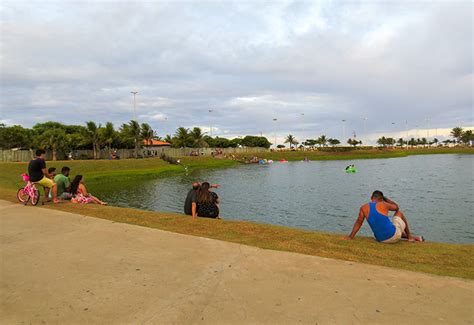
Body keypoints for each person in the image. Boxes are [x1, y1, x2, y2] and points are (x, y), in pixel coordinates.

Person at [344, 190, 423, 243]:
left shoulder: (363, 208)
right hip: (393, 237)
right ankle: (410, 237)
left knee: (391, 228)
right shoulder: (384, 204)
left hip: (380, 239)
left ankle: (414, 237)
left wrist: (350, 237)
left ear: (371, 198)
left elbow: (358, 223)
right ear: (381, 199)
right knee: (399, 213)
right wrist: (385, 199)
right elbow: (396, 207)